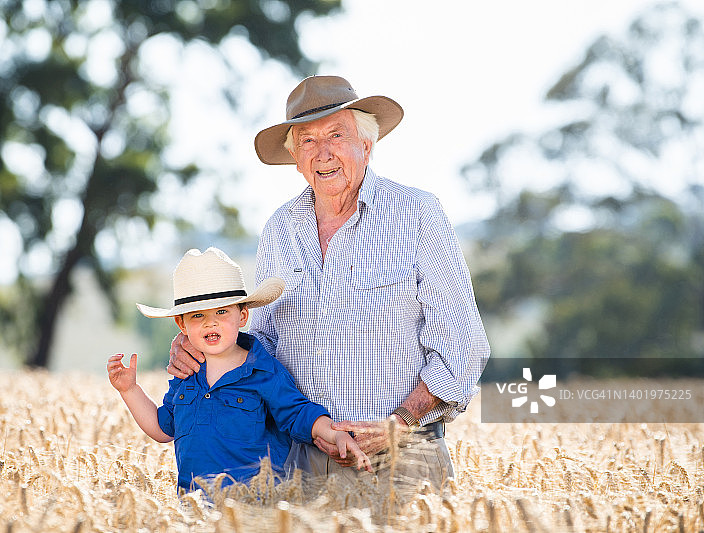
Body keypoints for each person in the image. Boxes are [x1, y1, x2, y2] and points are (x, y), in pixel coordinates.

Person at [168, 76, 490, 489]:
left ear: (366, 145)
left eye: (337, 134)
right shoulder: (279, 229)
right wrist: (201, 342)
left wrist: (400, 422)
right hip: (296, 466)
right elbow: (259, 345)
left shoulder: (418, 215)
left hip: (400, 462)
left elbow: (462, 345)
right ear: (296, 160)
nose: (323, 153)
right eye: (306, 141)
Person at [108, 247, 370, 492]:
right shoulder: (185, 374)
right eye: (198, 315)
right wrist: (129, 389)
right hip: (195, 512)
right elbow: (162, 428)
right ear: (182, 324)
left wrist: (335, 433)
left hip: (253, 511)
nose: (211, 322)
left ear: (242, 316)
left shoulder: (262, 371)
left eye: (221, 311)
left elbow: (299, 413)